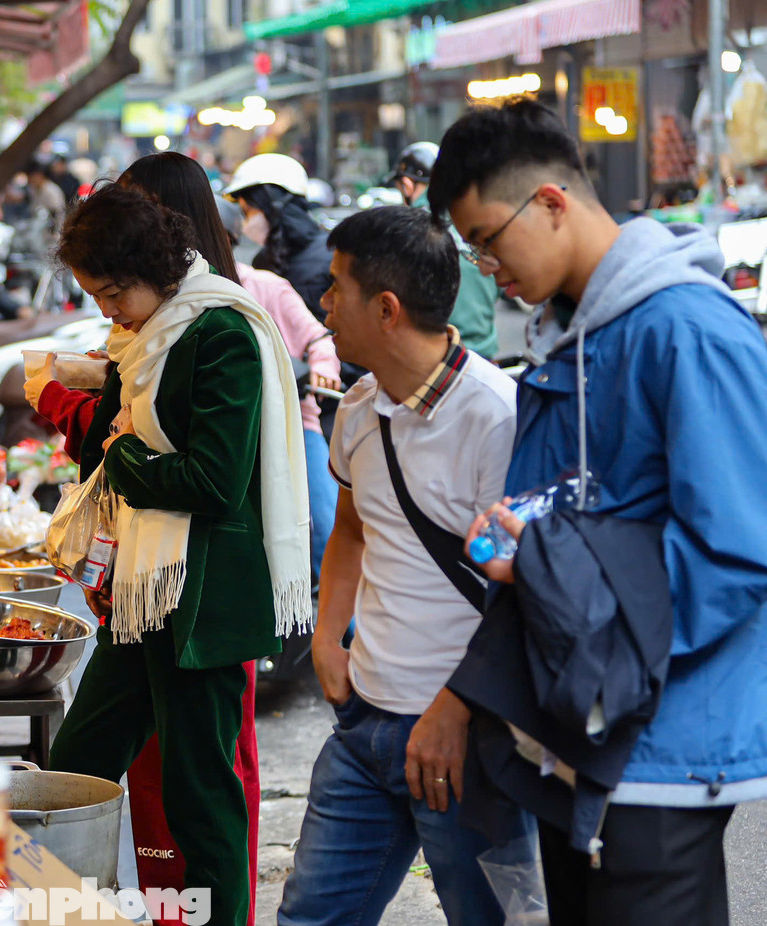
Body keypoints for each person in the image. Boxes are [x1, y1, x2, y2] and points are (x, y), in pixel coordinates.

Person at [430, 98, 767, 926]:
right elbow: (563, 520)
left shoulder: (689, 331)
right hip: (575, 734)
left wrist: (555, 580)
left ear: (549, 202)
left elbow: (740, 550)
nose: (485, 268)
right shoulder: (567, 338)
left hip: (657, 742)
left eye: (487, 240)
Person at [48, 184, 312, 926]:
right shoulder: (144, 339)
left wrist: (125, 454)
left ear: (153, 270)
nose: (106, 309)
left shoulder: (221, 331)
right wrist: (108, 417)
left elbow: (214, 481)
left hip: (203, 603)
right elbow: (115, 433)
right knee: (75, 765)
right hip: (145, 594)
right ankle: (46, 905)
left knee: (202, 798)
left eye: (111, 292)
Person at [276, 205, 528, 926]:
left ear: (385, 309)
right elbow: (352, 528)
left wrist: (454, 711)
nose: (323, 304)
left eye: (335, 287)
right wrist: (328, 636)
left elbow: (526, 592)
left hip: (465, 741)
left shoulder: (497, 417)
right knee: (310, 916)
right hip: (363, 728)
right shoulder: (357, 408)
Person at [216, 195, 340, 580]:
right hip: (228, 435)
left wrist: (322, 366)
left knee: (324, 526)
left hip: (293, 425)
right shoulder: (181, 299)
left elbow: (318, 339)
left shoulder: (266, 286)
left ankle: (347, 634)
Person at [388, 142, 500, 359]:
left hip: (438, 359)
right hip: (487, 359)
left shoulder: (411, 228)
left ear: (407, 185)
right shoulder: (472, 219)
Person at [224, 153, 334, 319]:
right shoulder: (262, 261)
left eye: (248, 211)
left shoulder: (332, 255)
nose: (246, 222)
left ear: (274, 204)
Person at [25, 160, 67, 231]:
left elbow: (56, 213)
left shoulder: (51, 190)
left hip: (54, 229)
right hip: (38, 227)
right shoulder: (33, 190)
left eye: (33, 176)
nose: (31, 180)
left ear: (40, 176)